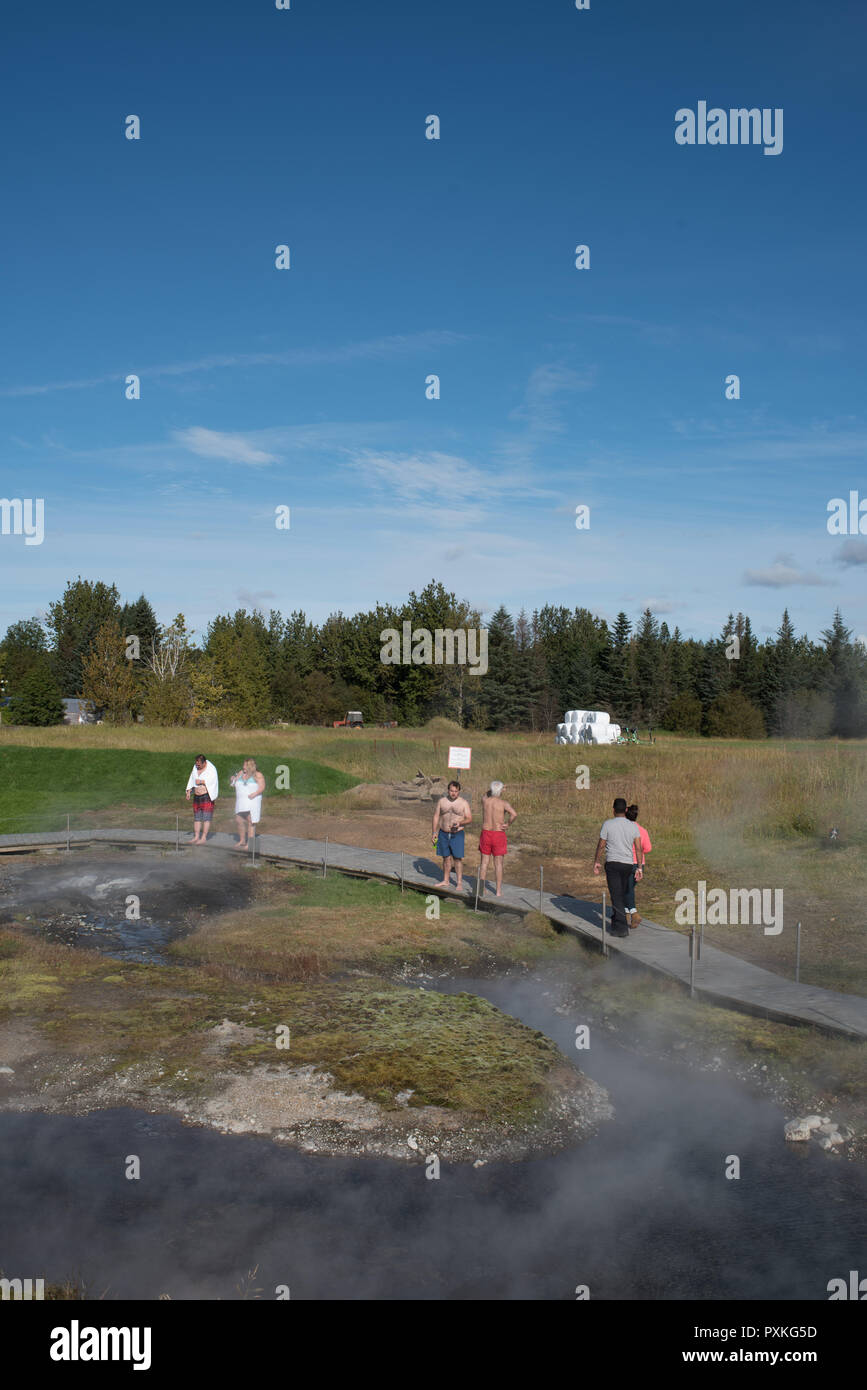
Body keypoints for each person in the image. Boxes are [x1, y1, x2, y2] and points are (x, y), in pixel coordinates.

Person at [593, 797, 643, 937]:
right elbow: (638, 848)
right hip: (628, 864)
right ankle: (617, 921)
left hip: (613, 864)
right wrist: (639, 867)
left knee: (616, 895)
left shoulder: (608, 824)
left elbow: (601, 844)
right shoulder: (633, 826)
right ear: (626, 810)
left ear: (613, 810)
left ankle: (621, 929)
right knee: (620, 893)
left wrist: (596, 861)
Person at [479, 780, 517, 898]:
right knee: (498, 863)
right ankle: (498, 891)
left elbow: (484, 795)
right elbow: (514, 814)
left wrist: (493, 789)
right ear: (501, 790)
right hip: (498, 833)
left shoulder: (485, 801)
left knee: (484, 862)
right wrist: (508, 824)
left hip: (486, 832)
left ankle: (481, 889)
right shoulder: (503, 803)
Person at [432, 780, 472, 890]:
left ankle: (459, 882)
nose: (453, 793)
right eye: (451, 791)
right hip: (443, 833)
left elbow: (469, 818)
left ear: (459, 791)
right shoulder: (442, 801)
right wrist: (434, 832)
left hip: (457, 834)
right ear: (448, 790)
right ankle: (446, 880)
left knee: (457, 859)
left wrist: (460, 823)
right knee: (445, 858)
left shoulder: (463, 803)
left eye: (456, 791)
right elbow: (436, 816)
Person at [624, 803, 652, 928]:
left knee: (627, 889)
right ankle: (626, 915)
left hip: (626, 862)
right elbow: (648, 848)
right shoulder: (643, 830)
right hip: (640, 864)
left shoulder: (624, 829)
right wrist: (639, 851)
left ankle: (633, 913)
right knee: (628, 889)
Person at [230, 758, 266, 850]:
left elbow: (262, 787)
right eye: (243, 765)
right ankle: (242, 840)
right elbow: (234, 784)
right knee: (239, 820)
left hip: (252, 801)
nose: (243, 767)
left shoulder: (258, 775)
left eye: (245, 765)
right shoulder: (241, 773)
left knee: (251, 821)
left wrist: (255, 794)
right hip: (241, 801)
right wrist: (233, 780)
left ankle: (250, 843)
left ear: (251, 766)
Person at [185, 754, 219, 844]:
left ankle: (203, 837)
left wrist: (201, 781)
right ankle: (196, 837)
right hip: (197, 796)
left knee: (206, 817)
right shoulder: (195, 767)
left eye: (199, 765)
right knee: (197, 818)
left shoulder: (211, 769)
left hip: (206, 796)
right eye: (196, 764)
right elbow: (191, 778)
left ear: (204, 763)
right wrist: (189, 791)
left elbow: (213, 781)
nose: (197, 766)